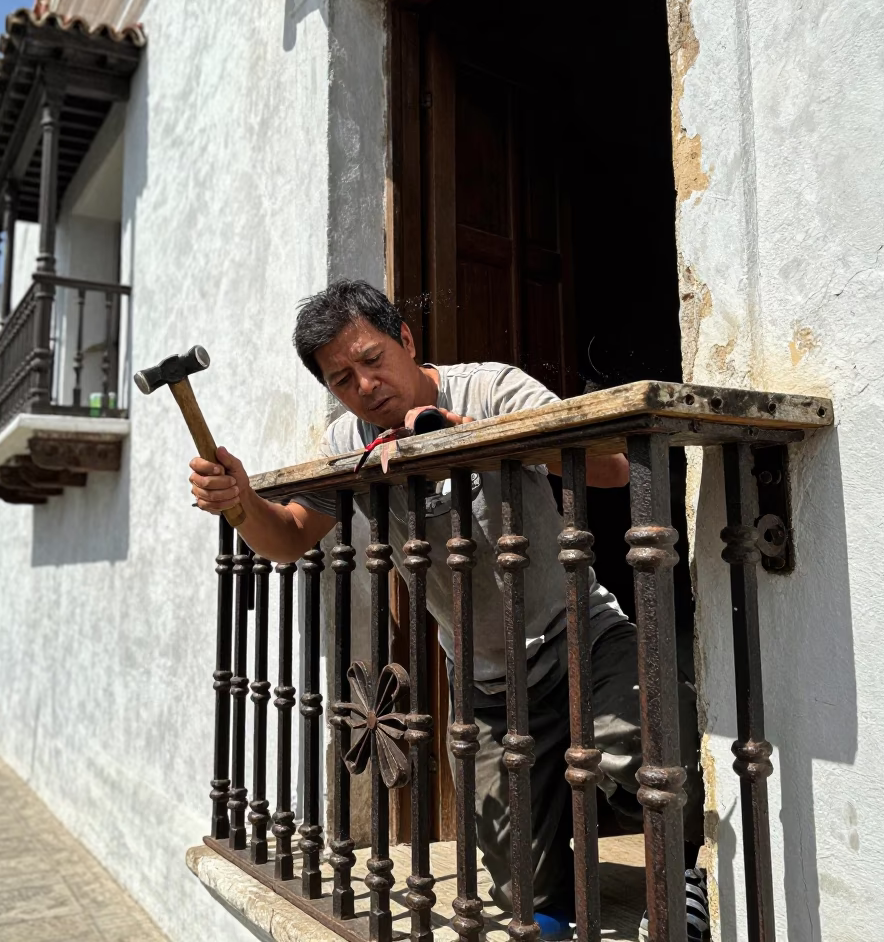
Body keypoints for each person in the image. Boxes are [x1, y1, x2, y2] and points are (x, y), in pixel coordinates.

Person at [189, 279, 708, 941]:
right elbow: (287, 537)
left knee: (653, 731)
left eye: (373, 359)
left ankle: (689, 873)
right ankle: (558, 892)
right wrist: (238, 501)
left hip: (579, 629)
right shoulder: (350, 437)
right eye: (342, 377)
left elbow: (608, 465)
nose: (365, 385)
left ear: (407, 341)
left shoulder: (492, 388)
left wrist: (472, 439)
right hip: (485, 678)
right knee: (521, 889)